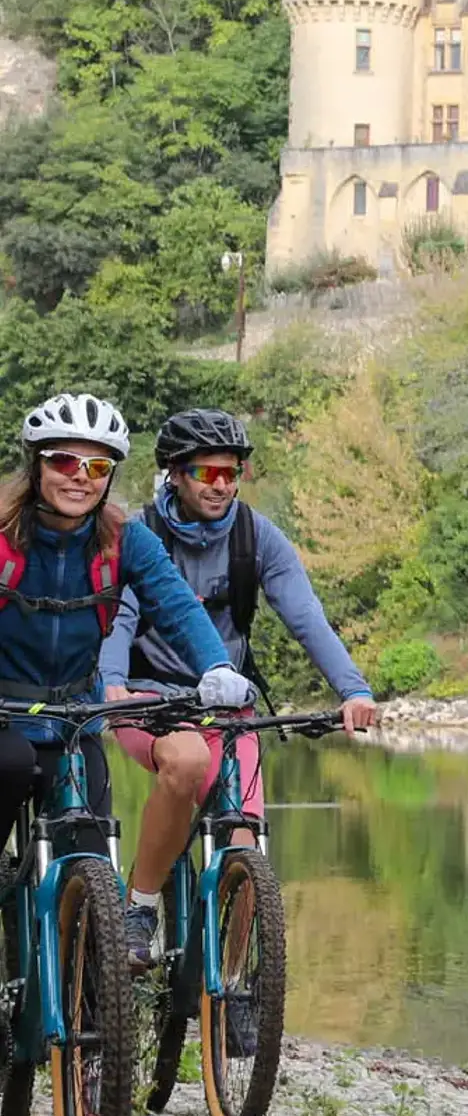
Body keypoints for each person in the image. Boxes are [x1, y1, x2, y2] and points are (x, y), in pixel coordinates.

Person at [100, 409, 376, 970]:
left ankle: (235, 985)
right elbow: (119, 619)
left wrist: (354, 690)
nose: (222, 485)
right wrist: (111, 685)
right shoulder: (142, 536)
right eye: (208, 474)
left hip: (228, 707)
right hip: (150, 700)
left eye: (232, 473)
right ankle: (142, 908)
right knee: (184, 767)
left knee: (246, 845)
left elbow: (307, 618)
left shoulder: (256, 536)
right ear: (175, 473)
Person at [0, 395, 252, 871]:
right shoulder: (3, 534)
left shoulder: (124, 539)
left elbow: (176, 606)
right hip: (4, 718)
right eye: (64, 461)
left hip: (74, 721)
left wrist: (216, 666)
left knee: (92, 862)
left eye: (96, 467)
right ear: (36, 466)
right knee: (9, 764)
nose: (80, 476)